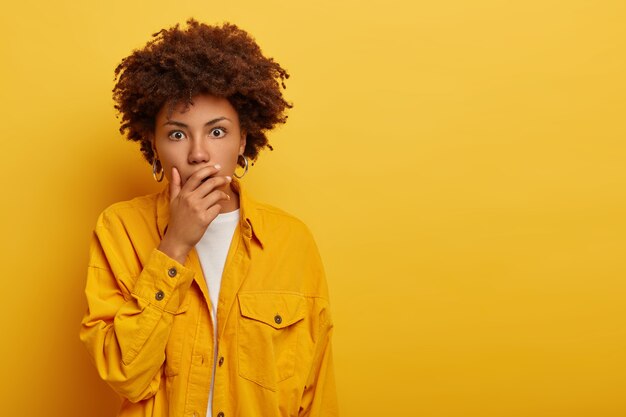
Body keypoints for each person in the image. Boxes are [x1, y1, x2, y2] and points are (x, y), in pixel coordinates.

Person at [79, 19, 337, 417]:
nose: (198, 153)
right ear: (154, 145)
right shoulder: (120, 229)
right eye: (178, 134)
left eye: (217, 132)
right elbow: (125, 373)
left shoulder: (292, 240)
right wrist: (174, 246)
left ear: (243, 141)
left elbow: (315, 391)